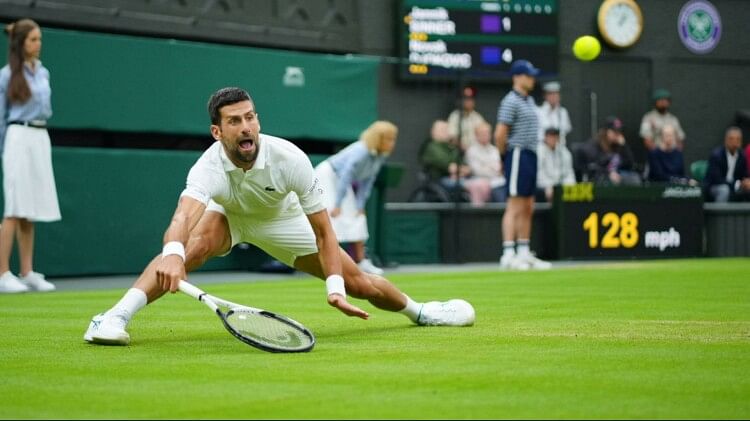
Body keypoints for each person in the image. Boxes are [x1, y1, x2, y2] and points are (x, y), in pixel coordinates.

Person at [83, 87, 475, 345]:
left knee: (361, 283)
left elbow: (325, 234)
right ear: (218, 132)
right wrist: (172, 250)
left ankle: (420, 311)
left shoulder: (290, 159)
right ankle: (112, 318)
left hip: (281, 221)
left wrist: (334, 286)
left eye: (250, 117)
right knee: (192, 247)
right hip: (230, 214)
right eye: (234, 121)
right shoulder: (208, 168)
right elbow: (184, 216)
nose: (246, 126)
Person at [0, 19, 59, 294]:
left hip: (39, 137)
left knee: (30, 209)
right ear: (21, 43)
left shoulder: (43, 72)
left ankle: (27, 272)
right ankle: (2, 273)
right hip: (17, 138)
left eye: (40, 39)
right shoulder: (6, 75)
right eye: (33, 39)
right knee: (13, 208)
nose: (39, 44)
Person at [314, 121, 398, 276]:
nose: (392, 143)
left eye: (393, 139)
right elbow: (346, 175)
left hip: (340, 182)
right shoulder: (361, 151)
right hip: (327, 176)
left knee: (356, 215)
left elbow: (367, 182)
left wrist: (360, 205)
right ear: (379, 139)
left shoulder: (380, 156)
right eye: (389, 139)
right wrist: (338, 204)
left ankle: (361, 262)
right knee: (331, 217)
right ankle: (330, 262)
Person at [494, 59, 550, 271]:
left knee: (528, 206)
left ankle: (524, 251)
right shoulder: (510, 101)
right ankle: (508, 254)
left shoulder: (529, 101)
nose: (532, 79)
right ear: (517, 77)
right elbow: (500, 133)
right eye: (528, 75)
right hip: (517, 153)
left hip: (530, 155)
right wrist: (504, 157)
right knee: (515, 205)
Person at [575, 116, 641, 186]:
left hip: (617, 176)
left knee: (634, 179)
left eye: (619, 131)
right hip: (601, 178)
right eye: (615, 131)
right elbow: (593, 167)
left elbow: (630, 165)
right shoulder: (594, 145)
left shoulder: (619, 145)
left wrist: (624, 146)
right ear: (607, 132)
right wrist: (608, 174)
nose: (618, 134)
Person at [420, 119, 472, 197]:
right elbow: (451, 168)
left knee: (481, 184)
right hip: (439, 181)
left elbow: (466, 168)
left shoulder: (452, 148)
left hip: (458, 178)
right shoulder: (432, 147)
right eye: (443, 130)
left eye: (447, 129)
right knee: (474, 186)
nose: (446, 132)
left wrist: (459, 173)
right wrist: (458, 171)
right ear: (433, 132)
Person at [703, 126, 750, 202]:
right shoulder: (716, 155)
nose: (735, 142)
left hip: (735, 186)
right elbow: (717, 179)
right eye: (731, 139)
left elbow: (744, 174)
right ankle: (720, 214)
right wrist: (737, 184)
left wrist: (747, 182)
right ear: (726, 140)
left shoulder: (742, 156)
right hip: (714, 186)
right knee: (724, 190)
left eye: (738, 139)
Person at [464, 121, 506, 204]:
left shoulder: (495, 150)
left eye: (487, 133)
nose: (485, 135)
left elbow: (499, 168)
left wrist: (490, 168)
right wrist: (493, 170)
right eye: (482, 133)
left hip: (499, 182)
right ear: (476, 135)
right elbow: (478, 171)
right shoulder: (471, 151)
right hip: (481, 182)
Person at [536, 127, 576, 202]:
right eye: (550, 137)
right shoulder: (539, 151)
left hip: (560, 186)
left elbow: (569, 173)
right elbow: (539, 174)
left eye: (555, 137)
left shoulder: (564, 152)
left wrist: (570, 187)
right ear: (545, 137)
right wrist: (550, 186)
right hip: (544, 186)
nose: (552, 139)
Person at [447, 86, 488, 151]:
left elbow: (485, 137)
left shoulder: (477, 117)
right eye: (466, 98)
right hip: (458, 152)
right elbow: (451, 139)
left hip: (476, 153)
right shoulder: (454, 116)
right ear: (460, 100)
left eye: (471, 99)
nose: (468, 101)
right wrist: (464, 147)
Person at [536, 81, 572, 147]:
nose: (554, 96)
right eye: (550, 94)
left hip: (560, 148)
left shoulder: (563, 112)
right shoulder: (538, 112)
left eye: (556, 93)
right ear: (545, 96)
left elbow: (566, 130)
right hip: (543, 149)